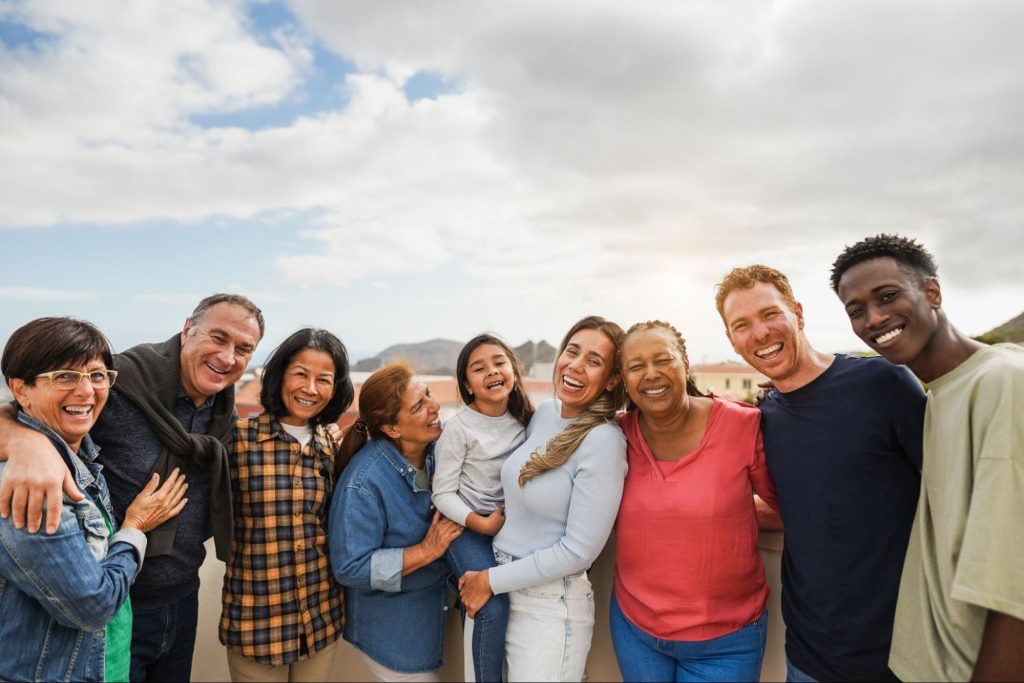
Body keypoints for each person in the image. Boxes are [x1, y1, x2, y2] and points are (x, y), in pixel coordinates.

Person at [0, 293, 264, 682]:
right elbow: (38, 404)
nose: (228, 357)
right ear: (187, 330)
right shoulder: (118, 382)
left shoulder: (223, 407)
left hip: (181, 596)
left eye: (244, 349)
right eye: (218, 338)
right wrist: (25, 441)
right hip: (116, 607)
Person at [715, 265, 925, 682]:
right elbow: (801, 504)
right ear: (732, 341)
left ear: (797, 312)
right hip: (808, 658)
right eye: (742, 325)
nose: (759, 333)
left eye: (770, 314)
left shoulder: (884, 384)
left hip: (901, 658)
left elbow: (954, 493)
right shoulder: (763, 419)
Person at [832, 234, 1024, 682]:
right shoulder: (940, 391)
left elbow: (1016, 589)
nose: (875, 318)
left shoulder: (1002, 384)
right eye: (856, 310)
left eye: (888, 296)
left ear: (932, 293)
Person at [0, 317, 188, 682]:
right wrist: (134, 529)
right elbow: (93, 606)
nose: (86, 391)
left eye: (97, 375)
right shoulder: (34, 486)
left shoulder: (78, 455)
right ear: (22, 390)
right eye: (65, 376)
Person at [460, 315, 628, 682]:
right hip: (496, 589)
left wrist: (490, 580)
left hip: (547, 609)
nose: (576, 366)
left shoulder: (603, 441)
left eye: (594, 361)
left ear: (612, 379)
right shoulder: (546, 414)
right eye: (572, 351)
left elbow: (578, 552)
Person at [611, 320, 778, 682]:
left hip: (727, 640)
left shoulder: (742, 424)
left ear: (685, 363)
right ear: (623, 378)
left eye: (663, 360)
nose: (651, 374)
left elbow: (786, 507)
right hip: (635, 630)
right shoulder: (614, 437)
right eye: (636, 366)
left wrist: (734, 514)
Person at [220, 328, 355, 682]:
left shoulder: (331, 446)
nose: (311, 389)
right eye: (301, 374)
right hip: (255, 624)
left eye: (323, 379)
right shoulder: (238, 439)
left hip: (321, 618)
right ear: (279, 374)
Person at [329, 364, 463, 682]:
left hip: (431, 616)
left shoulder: (437, 454)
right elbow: (350, 567)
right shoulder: (363, 483)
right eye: (419, 406)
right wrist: (426, 551)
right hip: (393, 633)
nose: (435, 406)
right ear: (392, 428)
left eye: (428, 393)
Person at [432, 333, 534, 683]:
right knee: (490, 608)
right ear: (468, 385)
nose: (492, 371)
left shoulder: (527, 421)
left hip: (511, 531)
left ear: (514, 371)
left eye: (499, 362)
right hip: (468, 531)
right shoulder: (459, 428)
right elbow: (441, 494)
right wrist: (482, 525)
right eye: (479, 368)